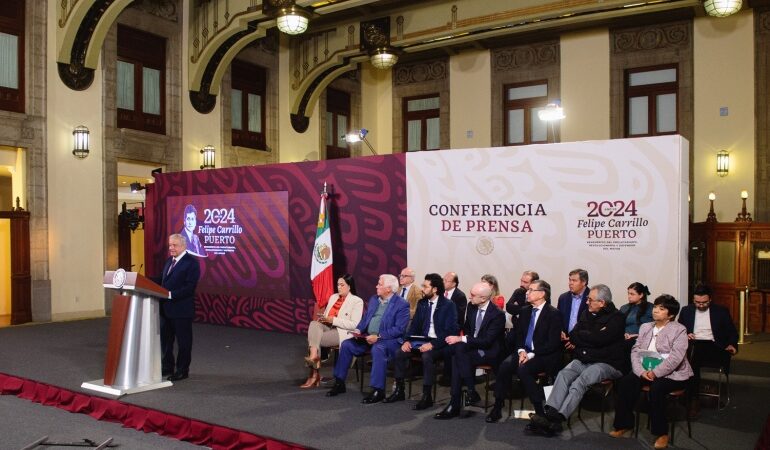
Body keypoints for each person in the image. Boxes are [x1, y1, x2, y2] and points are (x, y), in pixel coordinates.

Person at [529, 284, 626, 435]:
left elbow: (602, 340)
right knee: (564, 374)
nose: (587, 302)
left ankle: (558, 419)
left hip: (608, 363)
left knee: (581, 380)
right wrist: (591, 337)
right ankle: (551, 412)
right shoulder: (586, 313)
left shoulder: (617, 318)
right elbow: (574, 335)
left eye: (590, 299)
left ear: (602, 303)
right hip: (585, 358)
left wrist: (585, 338)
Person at [610, 294, 693, 450]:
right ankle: (624, 424)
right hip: (645, 369)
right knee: (626, 382)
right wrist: (640, 371)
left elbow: (676, 358)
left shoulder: (679, 330)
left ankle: (661, 433)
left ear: (671, 315)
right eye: (655, 307)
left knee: (657, 388)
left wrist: (655, 373)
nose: (655, 311)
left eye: (661, 309)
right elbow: (635, 351)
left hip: (673, 374)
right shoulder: (645, 327)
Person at [326, 274, 410, 403]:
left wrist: (379, 336)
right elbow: (365, 319)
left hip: (389, 340)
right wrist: (358, 330)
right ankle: (339, 382)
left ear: (389, 289)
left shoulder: (401, 304)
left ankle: (378, 390)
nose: (376, 286)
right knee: (347, 344)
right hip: (368, 337)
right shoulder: (374, 299)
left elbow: (399, 329)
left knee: (378, 348)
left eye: (380, 284)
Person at [487, 279, 562, 423]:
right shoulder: (525, 311)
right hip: (524, 351)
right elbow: (519, 335)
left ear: (541, 294)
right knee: (504, 366)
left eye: (531, 290)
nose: (527, 292)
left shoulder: (554, 314)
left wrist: (531, 354)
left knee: (523, 370)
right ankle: (497, 406)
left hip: (543, 354)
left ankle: (539, 412)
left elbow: (553, 344)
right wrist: (521, 351)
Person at [434, 282, 506, 420]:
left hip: (488, 351)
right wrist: (463, 340)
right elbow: (467, 329)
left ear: (483, 298)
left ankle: (456, 402)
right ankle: (469, 392)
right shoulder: (471, 307)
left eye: (472, 295)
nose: (469, 297)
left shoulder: (497, 314)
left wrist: (462, 339)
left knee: (457, 355)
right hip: (472, 348)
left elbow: (487, 341)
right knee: (458, 352)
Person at [388, 273, 458, 409]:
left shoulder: (448, 305)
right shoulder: (422, 303)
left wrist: (432, 344)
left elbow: (451, 331)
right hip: (421, 340)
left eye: (425, 286)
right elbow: (414, 326)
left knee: (427, 356)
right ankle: (399, 390)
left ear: (435, 289)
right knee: (399, 352)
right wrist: (407, 340)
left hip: (439, 343)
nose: (422, 289)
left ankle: (427, 396)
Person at [678, 283, 738, 416]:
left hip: (715, 348)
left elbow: (732, 332)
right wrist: (686, 334)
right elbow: (679, 330)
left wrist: (732, 345)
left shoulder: (721, 311)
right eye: (697, 302)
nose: (700, 305)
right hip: (694, 346)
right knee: (691, 354)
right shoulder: (686, 310)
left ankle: (692, 398)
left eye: (704, 302)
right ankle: (691, 396)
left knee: (692, 356)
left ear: (710, 299)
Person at [300, 274, 364, 388]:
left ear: (349, 286)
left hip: (342, 331)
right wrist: (324, 318)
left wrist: (333, 320)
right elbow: (326, 315)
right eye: (338, 284)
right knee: (314, 323)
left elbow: (354, 324)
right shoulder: (333, 297)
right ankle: (314, 357)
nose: (339, 287)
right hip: (328, 326)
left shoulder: (357, 301)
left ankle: (314, 374)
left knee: (314, 339)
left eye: (342, 285)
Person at [154, 233, 201, 382]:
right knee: (166, 342)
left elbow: (189, 287)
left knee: (184, 342)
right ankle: (167, 367)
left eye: (174, 245)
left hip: (181, 310)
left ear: (183, 246)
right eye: (170, 245)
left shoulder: (191, 263)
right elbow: (160, 279)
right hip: (166, 310)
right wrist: (140, 279)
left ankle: (182, 370)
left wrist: (170, 295)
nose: (171, 248)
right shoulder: (169, 261)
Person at [557, 268, 590, 349]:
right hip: (564, 343)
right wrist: (560, 331)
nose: (570, 283)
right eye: (570, 280)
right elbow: (558, 319)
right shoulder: (563, 298)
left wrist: (577, 340)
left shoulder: (592, 298)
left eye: (574, 280)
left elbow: (592, 326)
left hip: (584, 344)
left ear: (584, 282)